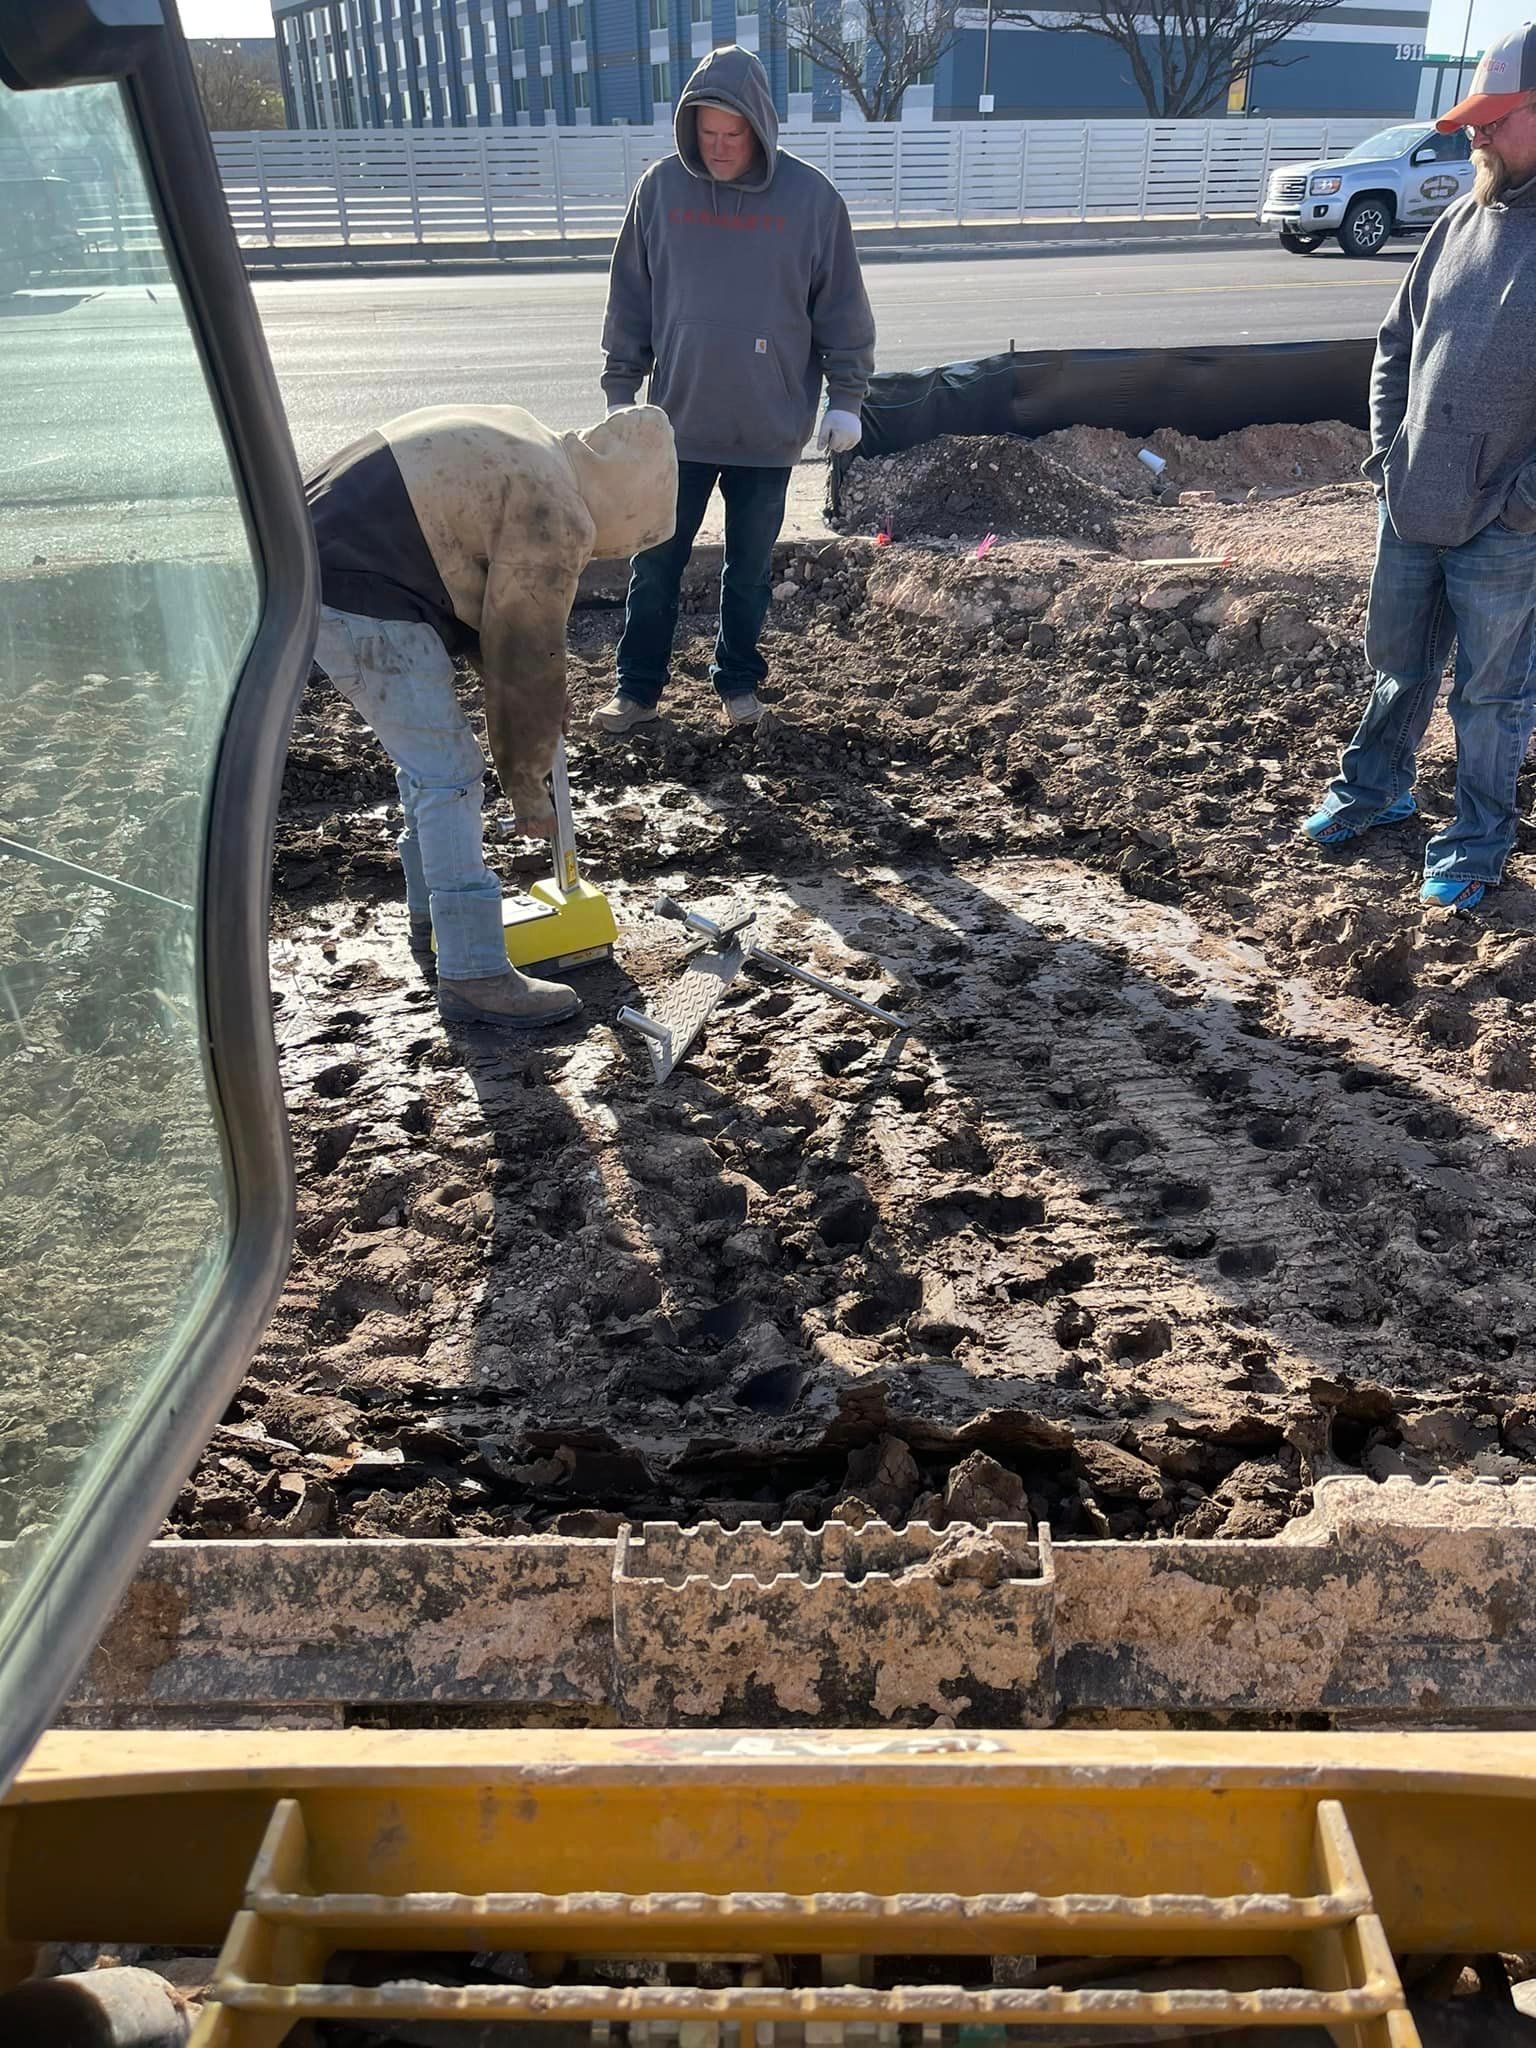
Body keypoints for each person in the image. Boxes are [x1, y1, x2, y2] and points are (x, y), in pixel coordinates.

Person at [305, 402, 676, 1027]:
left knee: (425, 757)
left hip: (307, 550)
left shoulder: (528, 435)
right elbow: (526, 653)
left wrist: (540, 691)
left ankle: (432, 918)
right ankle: (474, 970)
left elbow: (485, 602)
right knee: (448, 772)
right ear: (627, 504)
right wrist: (529, 793)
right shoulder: (557, 510)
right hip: (353, 588)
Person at [1302, 22, 1536, 915]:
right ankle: (1374, 789)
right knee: (1397, 664)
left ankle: (1477, 842)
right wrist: (1385, 451)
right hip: (1411, 498)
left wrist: (1520, 505)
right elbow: (1396, 342)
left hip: (1504, 527)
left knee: (1491, 699)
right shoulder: (1460, 219)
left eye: (1494, 118)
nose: (1473, 134)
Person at [592, 44, 875, 734]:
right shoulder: (661, 190)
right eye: (706, 134)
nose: (718, 149)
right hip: (676, 425)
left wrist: (846, 398)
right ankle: (637, 692)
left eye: (733, 135)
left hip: (766, 426)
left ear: (760, 128)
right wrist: (620, 391)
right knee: (654, 566)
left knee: (748, 574)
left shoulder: (811, 202)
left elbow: (840, 307)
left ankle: (739, 687)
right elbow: (631, 295)